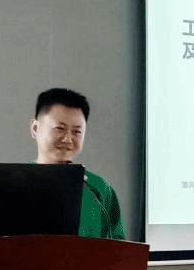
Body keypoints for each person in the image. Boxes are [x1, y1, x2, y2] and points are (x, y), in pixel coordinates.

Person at [30, 87, 126, 239]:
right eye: (59, 129)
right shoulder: (14, 184)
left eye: (76, 131)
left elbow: (119, 247)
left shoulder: (99, 189)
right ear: (35, 129)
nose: (68, 139)